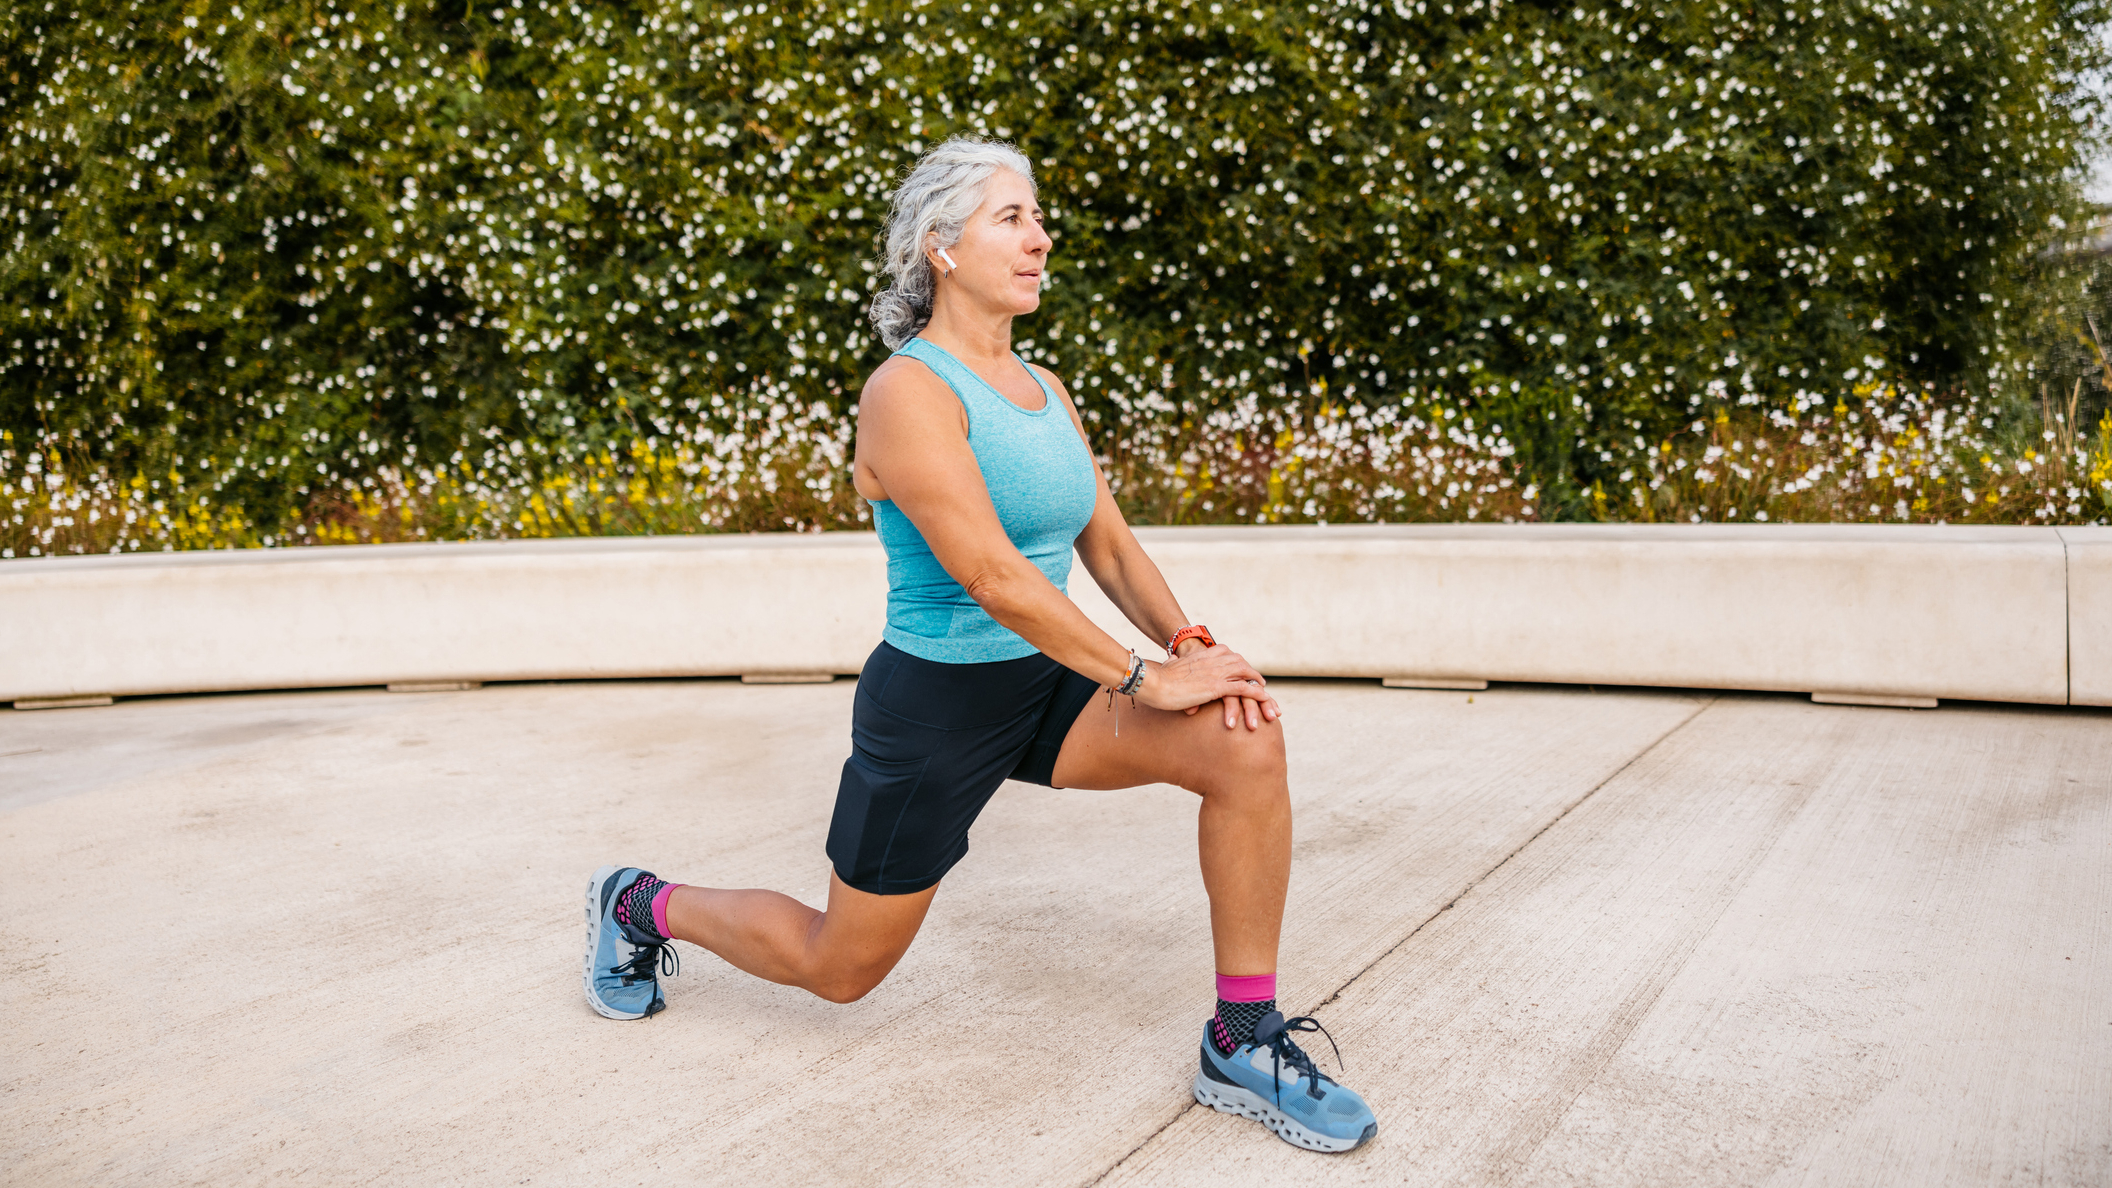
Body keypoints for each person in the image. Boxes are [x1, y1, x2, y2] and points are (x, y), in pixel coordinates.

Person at [581, 136, 1377, 1154]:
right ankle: (642, 905)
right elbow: (991, 575)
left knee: (1243, 738)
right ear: (940, 248)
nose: (1040, 238)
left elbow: (1110, 542)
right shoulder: (906, 393)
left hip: (1051, 685)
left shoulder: (1043, 389)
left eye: (1039, 218)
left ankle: (1243, 1037)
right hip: (936, 706)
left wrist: (1192, 646)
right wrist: (1145, 676)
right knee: (842, 967)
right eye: (1013, 219)